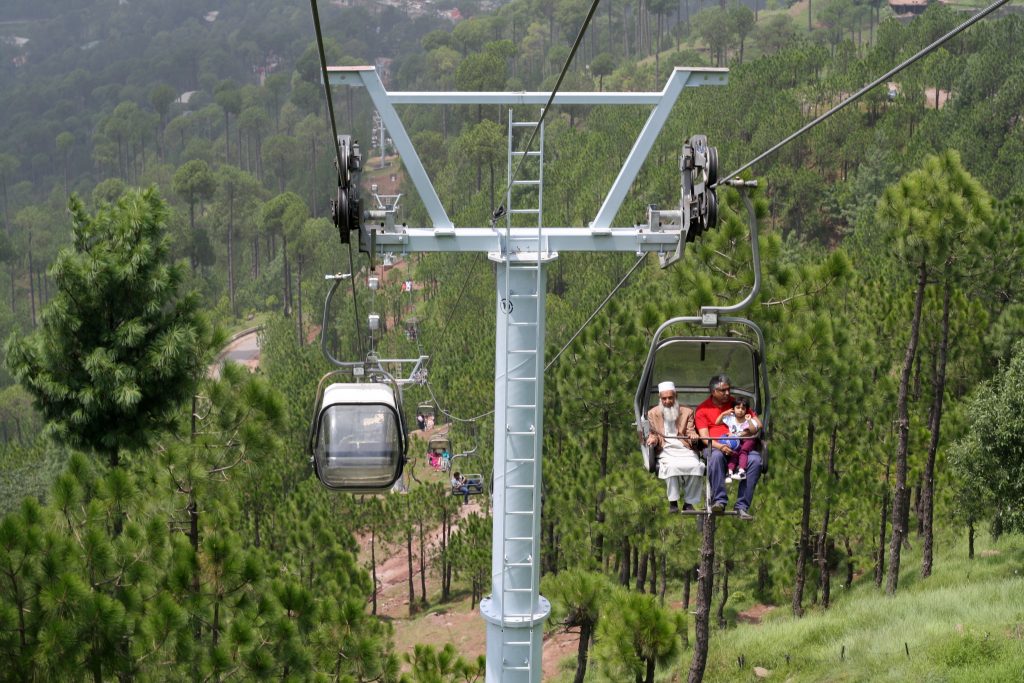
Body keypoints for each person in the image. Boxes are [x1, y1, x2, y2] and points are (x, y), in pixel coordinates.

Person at [695, 374, 762, 520]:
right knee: (716, 457)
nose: (727, 393)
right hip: (716, 446)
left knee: (755, 460)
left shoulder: (737, 404)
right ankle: (719, 500)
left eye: (728, 390)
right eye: (723, 390)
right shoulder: (702, 410)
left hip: (740, 446)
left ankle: (742, 507)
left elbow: (757, 423)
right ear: (713, 392)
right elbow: (705, 437)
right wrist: (721, 447)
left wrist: (743, 433)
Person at [645, 380, 704, 513]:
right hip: (666, 448)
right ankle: (673, 501)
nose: (667, 401)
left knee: (697, 466)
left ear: (675, 396)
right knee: (671, 467)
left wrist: (693, 435)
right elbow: (653, 433)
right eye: (664, 398)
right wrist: (652, 439)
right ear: (660, 398)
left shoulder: (687, 411)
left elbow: (690, 430)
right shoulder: (653, 413)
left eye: (670, 398)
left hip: (684, 448)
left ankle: (689, 503)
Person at [715, 397, 762, 484]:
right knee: (734, 453)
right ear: (733, 409)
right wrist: (723, 414)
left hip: (747, 440)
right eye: (738, 408)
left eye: (743, 409)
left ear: (746, 410)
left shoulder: (748, 419)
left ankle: (742, 471)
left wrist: (749, 421)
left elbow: (753, 430)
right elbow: (717, 422)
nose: (740, 410)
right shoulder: (731, 418)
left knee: (743, 451)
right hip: (737, 441)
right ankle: (730, 472)